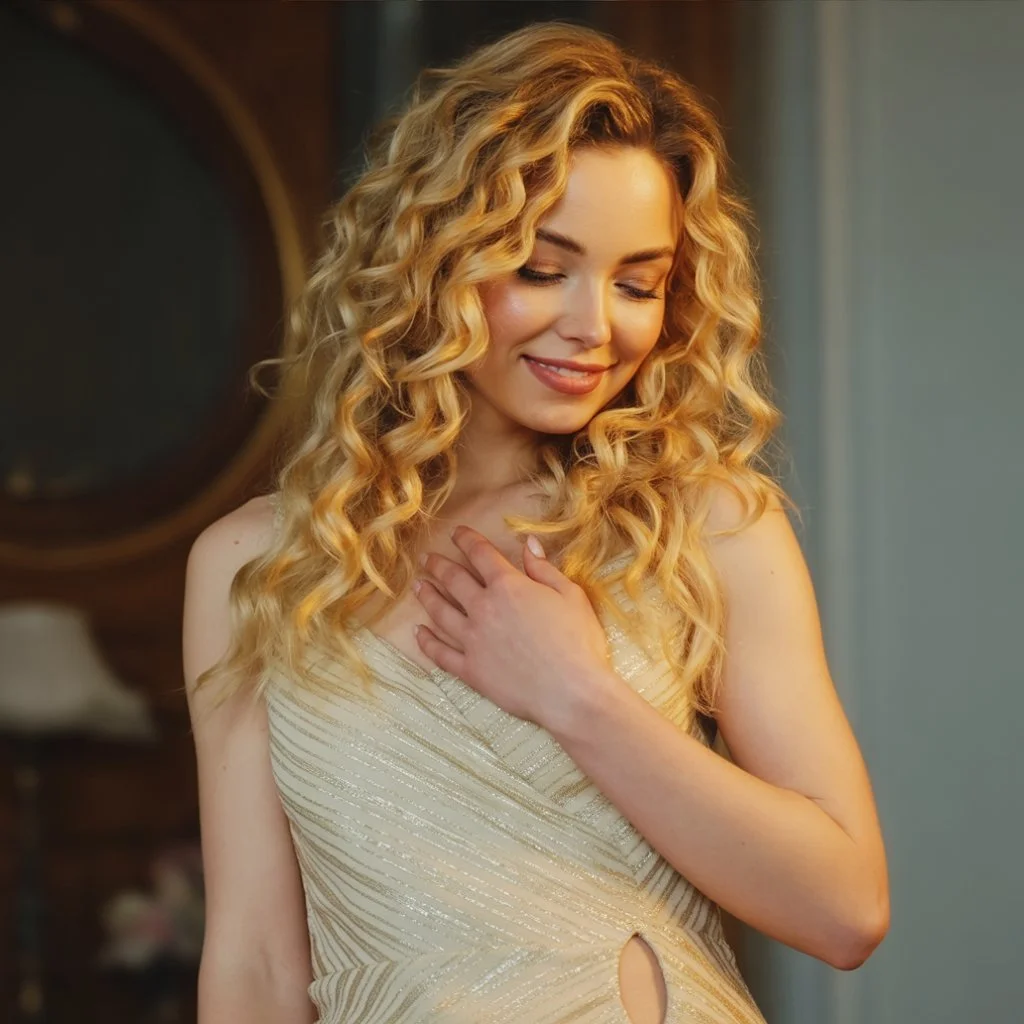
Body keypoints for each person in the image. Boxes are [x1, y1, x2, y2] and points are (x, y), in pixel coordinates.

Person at [182, 21, 889, 1024]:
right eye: (541, 268)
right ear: (434, 260)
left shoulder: (708, 527)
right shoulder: (256, 565)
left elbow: (845, 908)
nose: (595, 326)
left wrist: (578, 696)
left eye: (638, 282)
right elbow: (252, 960)